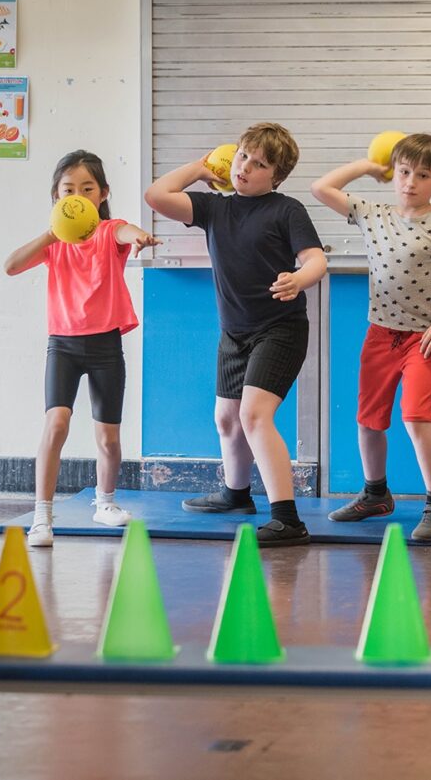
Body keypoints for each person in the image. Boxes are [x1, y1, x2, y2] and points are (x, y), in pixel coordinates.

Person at [144, 123, 327, 547]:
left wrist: (299, 279)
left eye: (259, 164)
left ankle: (287, 519)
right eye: (243, 156)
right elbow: (156, 196)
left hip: (280, 330)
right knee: (226, 420)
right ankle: (236, 494)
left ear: (276, 177)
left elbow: (316, 259)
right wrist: (199, 167)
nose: (245, 167)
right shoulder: (215, 209)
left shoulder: (286, 210)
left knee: (254, 416)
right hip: (234, 333)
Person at [310, 134, 431, 540]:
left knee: (415, 416)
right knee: (369, 421)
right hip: (380, 334)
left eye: (422, 175)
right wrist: (370, 166)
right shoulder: (372, 213)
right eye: (404, 172)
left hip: (423, 339)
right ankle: (375, 494)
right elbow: (321, 188)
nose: (409, 182)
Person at [4, 150, 159, 548]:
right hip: (65, 347)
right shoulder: (54, 245)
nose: (79, 195)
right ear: (57, 197)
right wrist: (50, 233)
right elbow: (11, 265)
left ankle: (105, 503)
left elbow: (126, 231)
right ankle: (42, 515)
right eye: (68, 189)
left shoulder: (109, 232)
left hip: (105, 344)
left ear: (102, 193)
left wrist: (139, 235)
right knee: (56, 423)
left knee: (108, 438)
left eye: (87, 188)